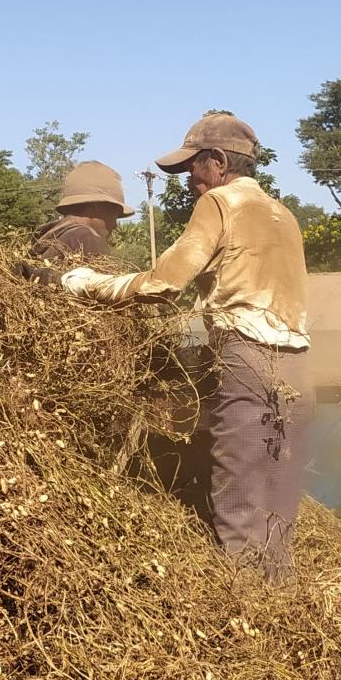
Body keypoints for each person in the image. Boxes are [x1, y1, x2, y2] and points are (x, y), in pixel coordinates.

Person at [60, 113, 311, 584]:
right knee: (276, 507)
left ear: (217, 162)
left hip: (246, 362)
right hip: (297, 372)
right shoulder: (284, 213)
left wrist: (87, 283)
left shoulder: (221, 202)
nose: (191, 181)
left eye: (194, 167)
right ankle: (282, 603)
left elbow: (162, 284)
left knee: (238, 504)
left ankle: (250, 621)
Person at [21, 161, 133, 283]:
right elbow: (106, 293)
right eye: (115, 215)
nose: (115, 225)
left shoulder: (46, 240)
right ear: (96, 205)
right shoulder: (88, 239)